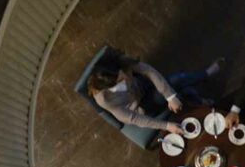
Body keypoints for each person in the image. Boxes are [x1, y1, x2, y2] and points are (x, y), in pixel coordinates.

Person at [87, 49, 222, 134]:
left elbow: (147, 70)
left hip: (142, 85)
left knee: (176, 83)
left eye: (122, 75)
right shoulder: (104, 100)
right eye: (120, 80)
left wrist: (170, 96)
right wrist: (167, 126)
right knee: (176, 84)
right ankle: (194, 96)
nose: (124, 78)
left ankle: (202, 77)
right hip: (142, 105)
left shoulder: (120, 65)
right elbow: (133, 118)